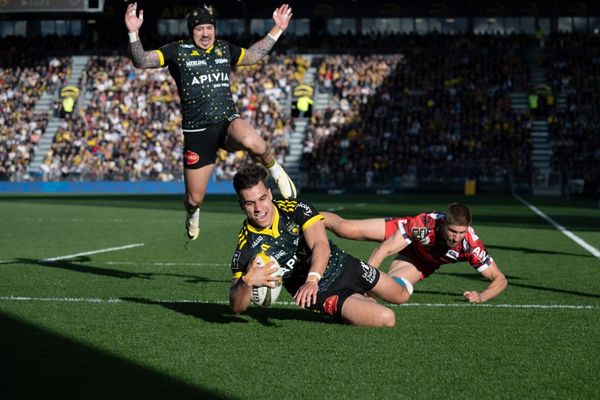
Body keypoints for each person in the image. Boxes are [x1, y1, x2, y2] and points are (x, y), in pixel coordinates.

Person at [124, 2, 297, 241]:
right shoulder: (177, 51)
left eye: (209, 28)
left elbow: (254, 55)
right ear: (191, 31)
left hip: (227, 123)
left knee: (254, 142)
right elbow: (142, 60)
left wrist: (277, 29)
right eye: (199, 29)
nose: (205, 33)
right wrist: (133, 32)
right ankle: (192, 213)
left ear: (214, 29)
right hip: (197, 134)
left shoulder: (224, 49)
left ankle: (276, 171)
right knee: (194, 198)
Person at [229, 164, 411, 327]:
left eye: (262, 199)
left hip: (345, 266)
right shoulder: (247, 246)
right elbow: (237, 306)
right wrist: (247, 282)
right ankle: (352, 305)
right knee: (386, 318)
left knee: (401, 295)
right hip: (321, 294)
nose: (259, 208)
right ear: (241, 205)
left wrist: (311, 280)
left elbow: (320, 245)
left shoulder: (295, 209)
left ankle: (366, 290)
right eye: (250, 203)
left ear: (269, 194)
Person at [322, 203, 508, 303]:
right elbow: (383, 250)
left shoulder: (471, 245)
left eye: (461, 232)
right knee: (346, 229)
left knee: (390, 290)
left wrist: (482, 296)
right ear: (444, 224)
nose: (456, 237)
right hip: (404, 232)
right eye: (452, 231)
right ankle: (304, 216)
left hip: (420, 262)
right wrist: (365, 283)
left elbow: (500, 279)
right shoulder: (424, 225)